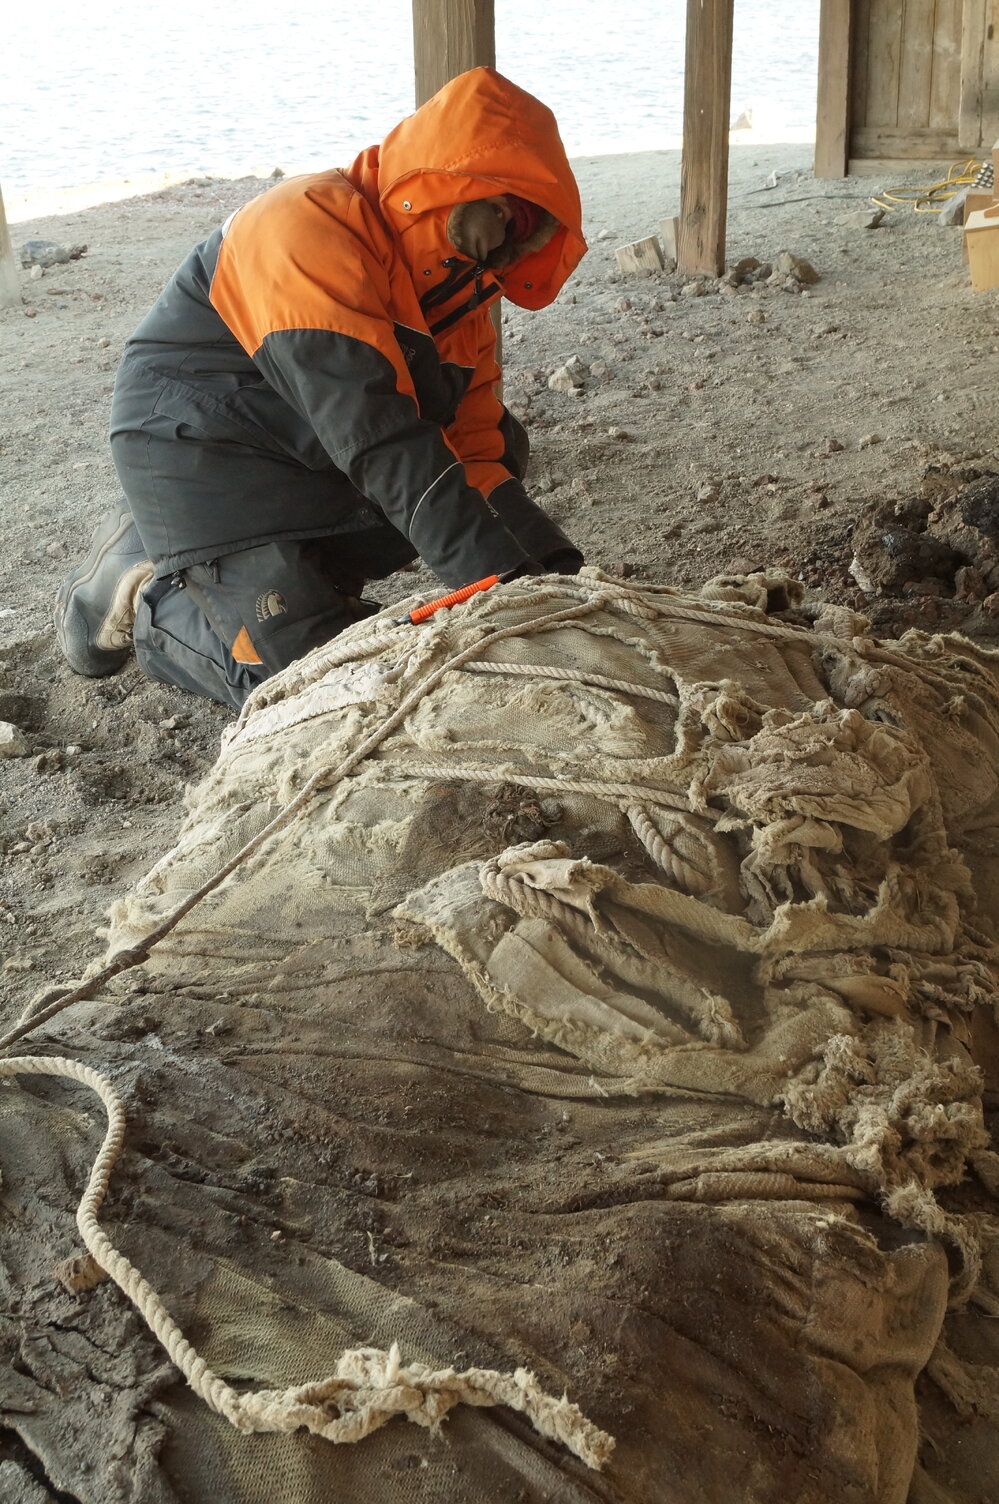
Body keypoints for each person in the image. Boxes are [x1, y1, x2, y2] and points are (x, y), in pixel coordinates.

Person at [54, 68, 588, 710]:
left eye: (520, 228)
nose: (503, 243)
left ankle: (277, 573)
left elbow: (471, 449)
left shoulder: (458, 297)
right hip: (200, 444)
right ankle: (146, 591)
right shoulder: (305, 225)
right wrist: (502, 585)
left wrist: (556, 577)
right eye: (501, 214)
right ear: (447, 186)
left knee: (501, 444)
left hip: (309, 442)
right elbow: (380, 441)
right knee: (307, 673)